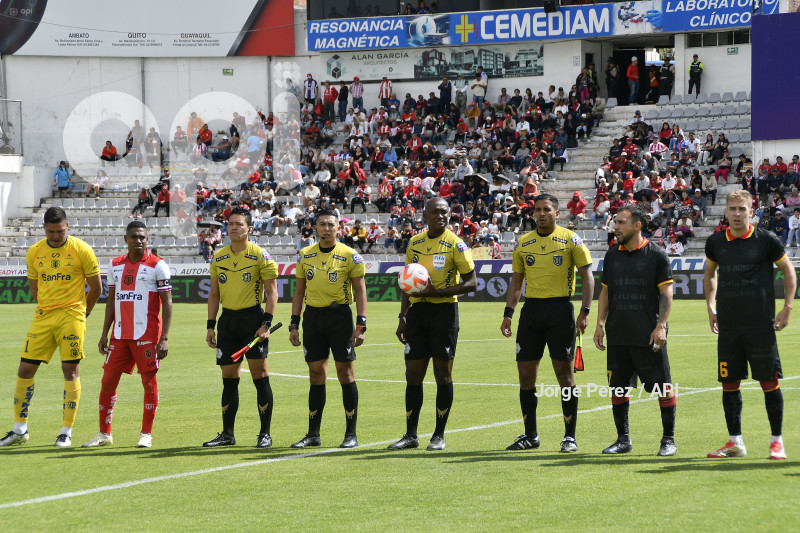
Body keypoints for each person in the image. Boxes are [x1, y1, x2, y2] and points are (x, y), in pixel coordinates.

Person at [704, 190, 796, 460]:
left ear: (751, 211)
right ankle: (735, 442)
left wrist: (787, 307)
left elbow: (788, 271)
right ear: (725, 212)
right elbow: (709, 274)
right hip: (729, 327)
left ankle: (777, 442)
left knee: (769, 382)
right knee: (729, 383)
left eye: (742, 209)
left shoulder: (766, 240)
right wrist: (710, 306)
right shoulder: (716, 242)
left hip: (760, 326)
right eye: (732, 209)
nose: (736, 213)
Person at [0, 207, 102, 448]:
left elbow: (96, 288)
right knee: (25, 369)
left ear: (68, 227)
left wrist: (83, 313)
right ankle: (19, 429)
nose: (55, 236)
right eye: (51, 232)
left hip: (72, 316)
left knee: (70, 370)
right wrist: (47, 306)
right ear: (44, 229)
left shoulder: (82, 249)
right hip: (44, 316)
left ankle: (66, 431)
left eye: (60, 231)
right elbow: (34, 287)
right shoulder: (34, 251)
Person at [500, 194, 594, 453]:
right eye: (537, 210)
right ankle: (531, 436)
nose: (541, 214)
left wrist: (585, 311)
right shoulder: (523, 243)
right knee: (525, 376)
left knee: (564, 375)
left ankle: (569, 437)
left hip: (560, 311)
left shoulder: (570, 239)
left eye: (547, 209)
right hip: (531, 312)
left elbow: (588, 277)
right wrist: (508, 313)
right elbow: (517, 281)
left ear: (557, 213)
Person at [389, 197, 477, 451]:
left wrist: (438, 292)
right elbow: (407, 282)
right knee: (412, 375)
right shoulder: (415, 242)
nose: (441, 215)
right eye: (436, 212)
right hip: (418, 314)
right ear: (425, 214)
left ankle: (438, 435)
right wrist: (403, 316)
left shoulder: (455, 244)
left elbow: (472, 282)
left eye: (445, 211)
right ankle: (410, 435)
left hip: (444, 313)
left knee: (442, 374)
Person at [593, 205, 677, 456]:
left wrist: (661, 326)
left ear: (637, 225)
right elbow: (605, 292)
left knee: (663, 388)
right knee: (618, 389)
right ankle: (623, 440)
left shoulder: (656, 255)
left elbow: (666, 294)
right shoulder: (612, 255)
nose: (615, 227)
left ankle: (668, 440)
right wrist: (599, 324)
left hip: (648, 334)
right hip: (618, 333)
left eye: (621, 222)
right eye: (615, 222)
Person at [82, 221, 172, 449]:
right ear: (126, 239)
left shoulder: (157, 265)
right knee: (107, 382)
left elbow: (167, 303)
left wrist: (164, 338)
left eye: (142, 237)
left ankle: (146, 434)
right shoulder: (115, 265)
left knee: (149, 384)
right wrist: (104, 333)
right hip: (120, 335)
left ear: (147, 239)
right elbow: (112, 301)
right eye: (134, 237)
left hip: (147, 335)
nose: (138, 241)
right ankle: (104, 434)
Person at [289, 209, 368, 449]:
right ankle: (313, 434)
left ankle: (351, 434)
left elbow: (360, 291)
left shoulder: (350, 255)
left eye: (330, 224)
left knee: (345, 373)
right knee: (316, 375)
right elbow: (299, 292)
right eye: (322, 224)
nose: (326, 228)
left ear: (338, 228)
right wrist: (294, 323)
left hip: (340, 318)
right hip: (313, 318)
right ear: (315, 227)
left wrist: (361, 324)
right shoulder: (305, 255)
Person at [203, 207, 279, 448]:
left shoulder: (260, 255)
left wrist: (266, 323)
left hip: (253, 321)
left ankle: (264, 434)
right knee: (228, 377)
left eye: (239, 224)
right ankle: (227, 435)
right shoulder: (219, 256)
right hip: (227, 322)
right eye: (231, 224)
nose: (234, 227)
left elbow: (272, 292)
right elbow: (214, 294)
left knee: (260, 375)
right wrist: (211, 326)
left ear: (250, 228)